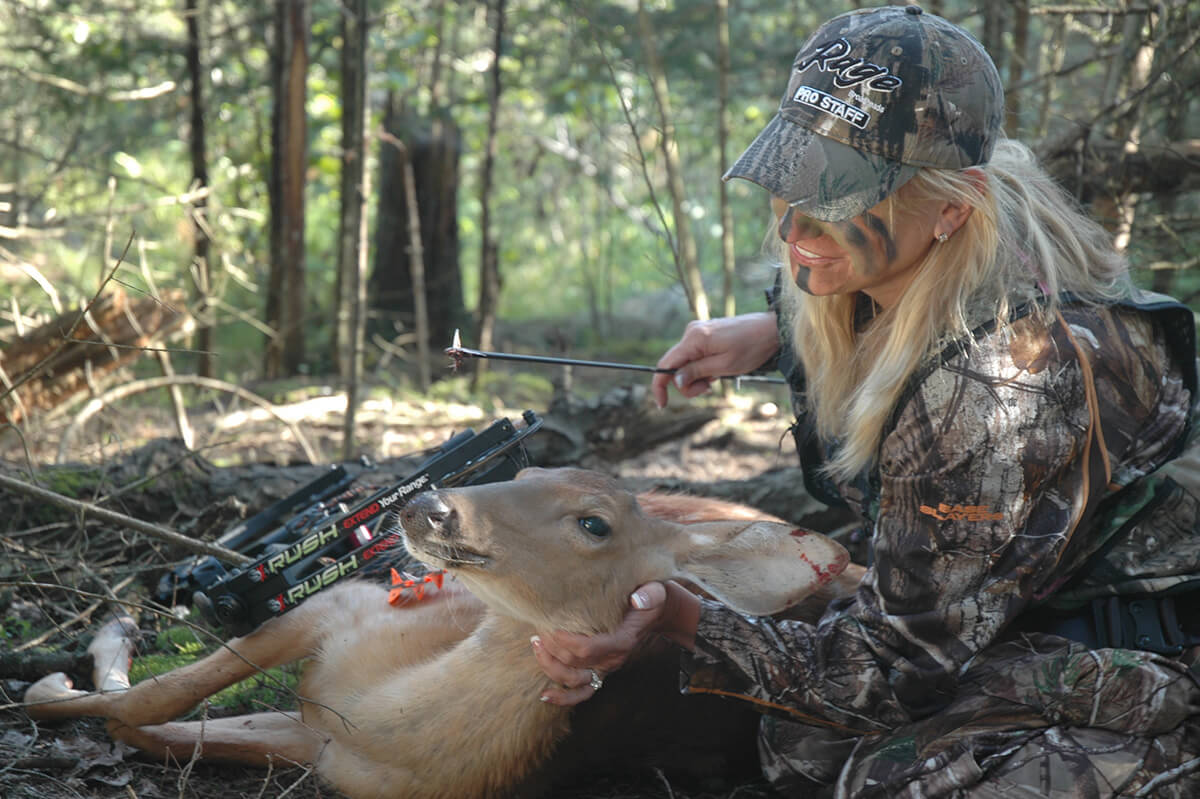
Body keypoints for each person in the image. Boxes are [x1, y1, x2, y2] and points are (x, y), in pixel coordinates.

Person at [530, 4, 1200, 797]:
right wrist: (776, 329)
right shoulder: (983, 226)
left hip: (1146, 649)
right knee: (796, 742)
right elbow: (911, 273)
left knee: (894, 780)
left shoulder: (991, 389)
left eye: (841, 196)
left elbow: (892, 670)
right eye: (791, 176)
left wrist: (681, 621)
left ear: (954, 207)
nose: (796, 222)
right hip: (1021, 605)